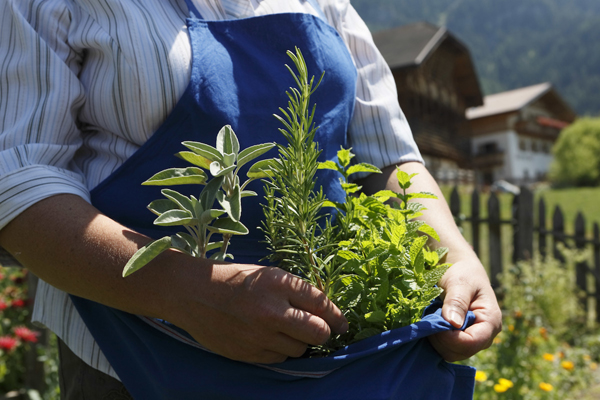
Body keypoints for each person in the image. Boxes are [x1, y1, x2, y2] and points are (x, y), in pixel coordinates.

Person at [0, 0, 501, 398]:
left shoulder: (327, 4)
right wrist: (187, 291)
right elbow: (19, 179)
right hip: (133, 365)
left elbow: (389, 158)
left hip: (340, 360)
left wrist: (453, 256)